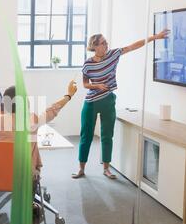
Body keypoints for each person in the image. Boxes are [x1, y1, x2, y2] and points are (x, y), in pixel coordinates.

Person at [72, 30, 170, 179]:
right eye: (103, 43)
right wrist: (97, 86)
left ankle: (106, 169)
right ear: (95, 46)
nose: (106, 44)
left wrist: (155, 37)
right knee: (86, 136)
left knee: (107, 136)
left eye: (106, 42)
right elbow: (85, 84)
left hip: (108, 101)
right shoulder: (88, 64)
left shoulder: (113, 55)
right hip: (91, 103)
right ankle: (81, 169)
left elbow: (133, 46)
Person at [0, 80, 77, 192]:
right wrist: (69, 95)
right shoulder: (32, 119)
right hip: (26, 175)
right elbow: (53, 109)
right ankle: (32, 202)